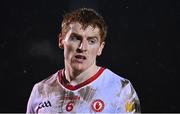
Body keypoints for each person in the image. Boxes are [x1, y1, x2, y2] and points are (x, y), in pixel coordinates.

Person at [26, 8, 141, 113]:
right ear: (61, 40)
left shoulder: (121, 90)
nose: (82, 47)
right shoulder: (40, 91)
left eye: (91, 41)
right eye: (75, 38)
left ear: (100, 48)